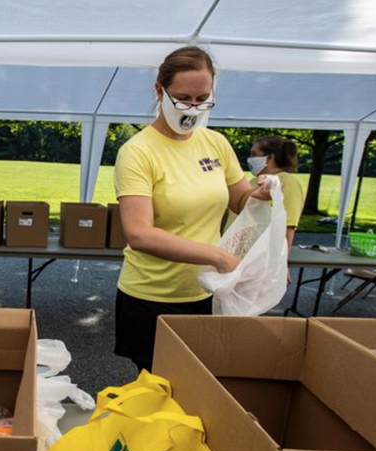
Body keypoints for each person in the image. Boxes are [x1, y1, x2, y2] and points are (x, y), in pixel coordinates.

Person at [113, 46, 271, 373]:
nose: (193, 107)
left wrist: (263, 193)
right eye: (183, 98)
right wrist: (215, 255)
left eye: (202, 99)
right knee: (160, 388)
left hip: (205, 291)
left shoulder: (215, 143)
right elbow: (139, 234)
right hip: (151, 296)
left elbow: (239, 199)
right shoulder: (137, 152)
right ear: (160, 90)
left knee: (198, 384)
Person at [247, 136, 305, 249]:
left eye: (254, 154)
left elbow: (287, 225)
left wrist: (278, 262)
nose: (250, 159)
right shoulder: (253, 181)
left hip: (260, 255)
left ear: (269, 157)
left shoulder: (287, 181)